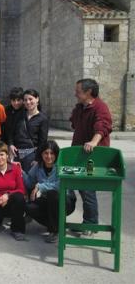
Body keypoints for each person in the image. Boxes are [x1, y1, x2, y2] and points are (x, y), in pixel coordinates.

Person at [70, 78, 112, 235]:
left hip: (92, 157)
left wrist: (94, 142)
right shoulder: (81, 107)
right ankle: (89, 221)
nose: (75, 93)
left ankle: (90, 224)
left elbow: (103, 125)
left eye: (78, 91)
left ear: (88, 92)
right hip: (79, 154)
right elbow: (74, 123)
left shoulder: (100, 107)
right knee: (82, 189)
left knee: (87, 189)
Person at [24, 140, 76, 243]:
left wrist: (40, 186)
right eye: (46, 153)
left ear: (56, 154)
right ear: (41, 154)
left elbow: (60, 185)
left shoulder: (63, 164)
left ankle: (55, 231)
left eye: (52, 153)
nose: (49, 156)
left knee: (53, 194)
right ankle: (56, 223)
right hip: (47, 202)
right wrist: (20, 172)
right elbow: (29, 182)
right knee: (28, 207)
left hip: (65, 201)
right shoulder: (38, 166)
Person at [8, 89, 48, 173]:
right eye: (25, 100)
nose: (28, 102)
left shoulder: (42, 118)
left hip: (31, 155)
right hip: (16, 154)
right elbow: (11, 132)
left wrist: (38, 159)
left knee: (28, 181)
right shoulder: (19, 115)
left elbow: (43, 141)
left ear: (37, 99)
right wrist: (11, 144)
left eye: (30, 99)